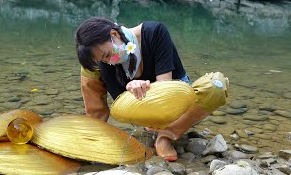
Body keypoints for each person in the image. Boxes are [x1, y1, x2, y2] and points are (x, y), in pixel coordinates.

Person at [75, 17, 211, 161]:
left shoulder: (155, 32)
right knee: (89, 68)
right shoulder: (105, 62)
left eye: (107, 55)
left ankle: (165, 136)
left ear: (114, 34)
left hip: (175, 104)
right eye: (104, 60)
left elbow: (165, 97)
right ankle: (94, 132)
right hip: (143, 110)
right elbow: (122, 107)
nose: (109, 61)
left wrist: (144, 88)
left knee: (215, 86)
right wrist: (128, 90)